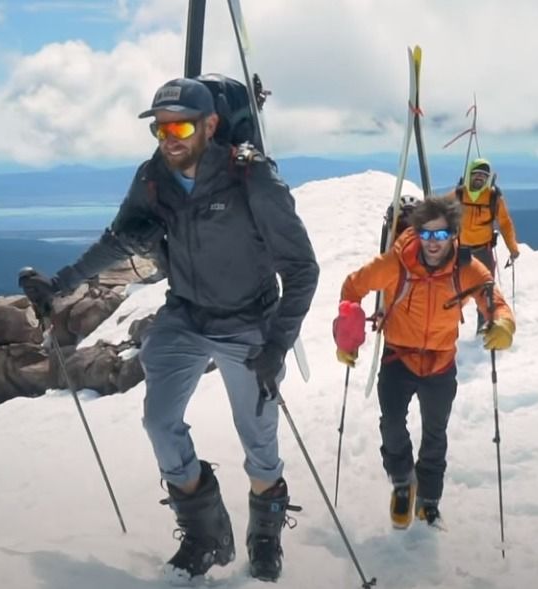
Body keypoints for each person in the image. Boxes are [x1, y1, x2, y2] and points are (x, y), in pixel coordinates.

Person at [19, 77, 319, 582]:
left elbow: (302, 269)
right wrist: (59, 285)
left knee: (259, 441)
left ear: (211, 125)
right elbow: (119, 240)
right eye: (159, 128)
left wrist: (276, 344)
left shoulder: (252, 179)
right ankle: (206, 534)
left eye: (180, 125)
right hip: (185, 315)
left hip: (249, 322)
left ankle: (264, 537)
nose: (169, 137)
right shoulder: (153, 177)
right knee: (160, 424)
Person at [333, 195, 514, 529]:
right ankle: (403, 481)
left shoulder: (466, 269)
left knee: (435, 432)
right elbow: (352, 287)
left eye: (441, 235)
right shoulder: (395, 264)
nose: (433, 243)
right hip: (397, 357)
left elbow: (494, 299)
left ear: (453, 235)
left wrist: (503, 323)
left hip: (440, 362)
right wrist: (348, 336)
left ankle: (428, 499)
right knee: (392, 424)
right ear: (416, 233)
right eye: (427, 235)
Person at [450, 158, 520, 331]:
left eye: (484, 175)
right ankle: (448, 328)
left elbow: (505, 223)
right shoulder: (458, 195)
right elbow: (441, 213)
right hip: (460, 251)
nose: (480, 178)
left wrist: (513, 248)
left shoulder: (493, 197)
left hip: (483, 250)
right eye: (477, 174)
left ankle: (484, 327)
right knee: (452, 290)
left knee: (485, 292)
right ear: (469, 175)